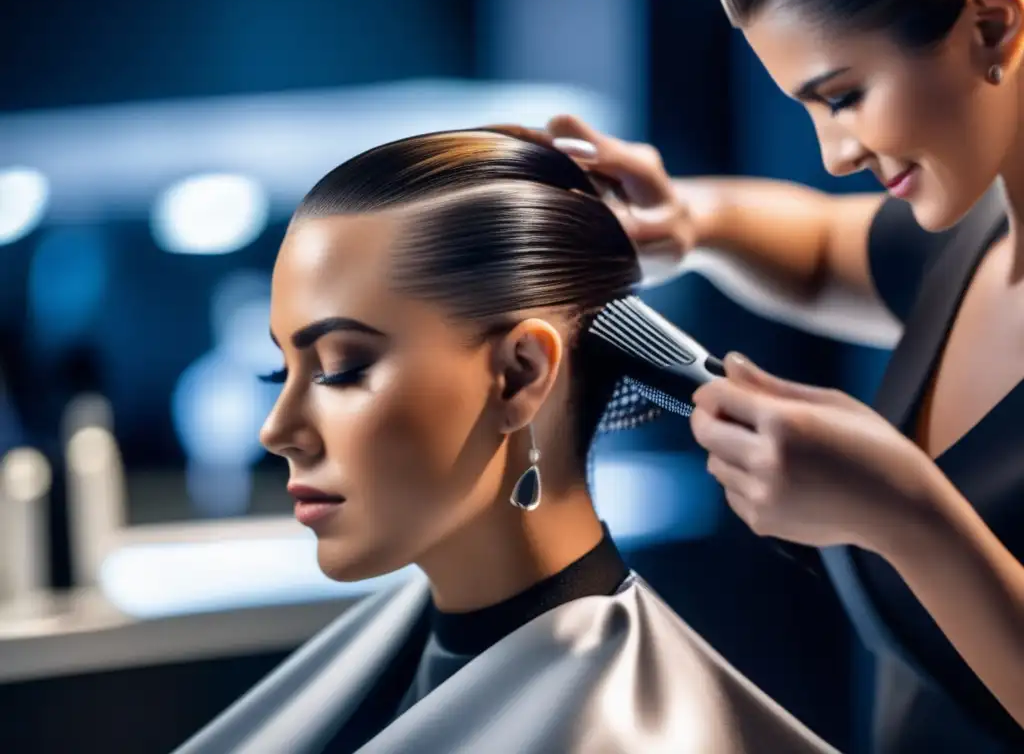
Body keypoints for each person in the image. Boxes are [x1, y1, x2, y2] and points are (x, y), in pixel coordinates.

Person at [173, 130, 837, 754]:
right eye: (277, 372)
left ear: (521, 375)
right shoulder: (388, 651)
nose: (276, 429)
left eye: (341, 368)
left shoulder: (635, 731)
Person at [541, 0, 1024, 751]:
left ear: (992, 25)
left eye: (844, 97)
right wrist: (689, 221)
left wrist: (908, 518)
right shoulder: (976, 239)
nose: (836, 155)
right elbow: (828, 252)